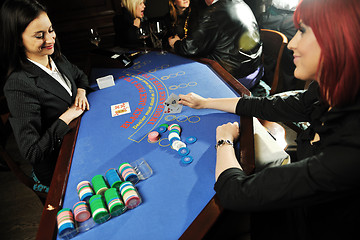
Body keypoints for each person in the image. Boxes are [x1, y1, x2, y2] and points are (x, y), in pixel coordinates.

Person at [179, 0, 360, 239]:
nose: (292, 43)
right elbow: (266, 105)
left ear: (340, 39)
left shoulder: (351, 148)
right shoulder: (325, 92)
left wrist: (223, 141)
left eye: (303, 31)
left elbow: (234, 193)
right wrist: (205, 102)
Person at [0, 0, 90, 192]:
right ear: (18, 39)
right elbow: (32, 151)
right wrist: (67, 116)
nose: (50, 39)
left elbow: (80, 76)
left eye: (50, 30)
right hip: (60, 168)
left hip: (82, 142)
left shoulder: (56, 57)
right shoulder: (18, 84)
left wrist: (81, 92)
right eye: (40, 35)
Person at [168, 0, 263, 90]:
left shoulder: (212, 12)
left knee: (183, 76)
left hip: (236, 78)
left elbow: (189, 49)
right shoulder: (241, 3)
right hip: (255, 70)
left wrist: (175, 43)